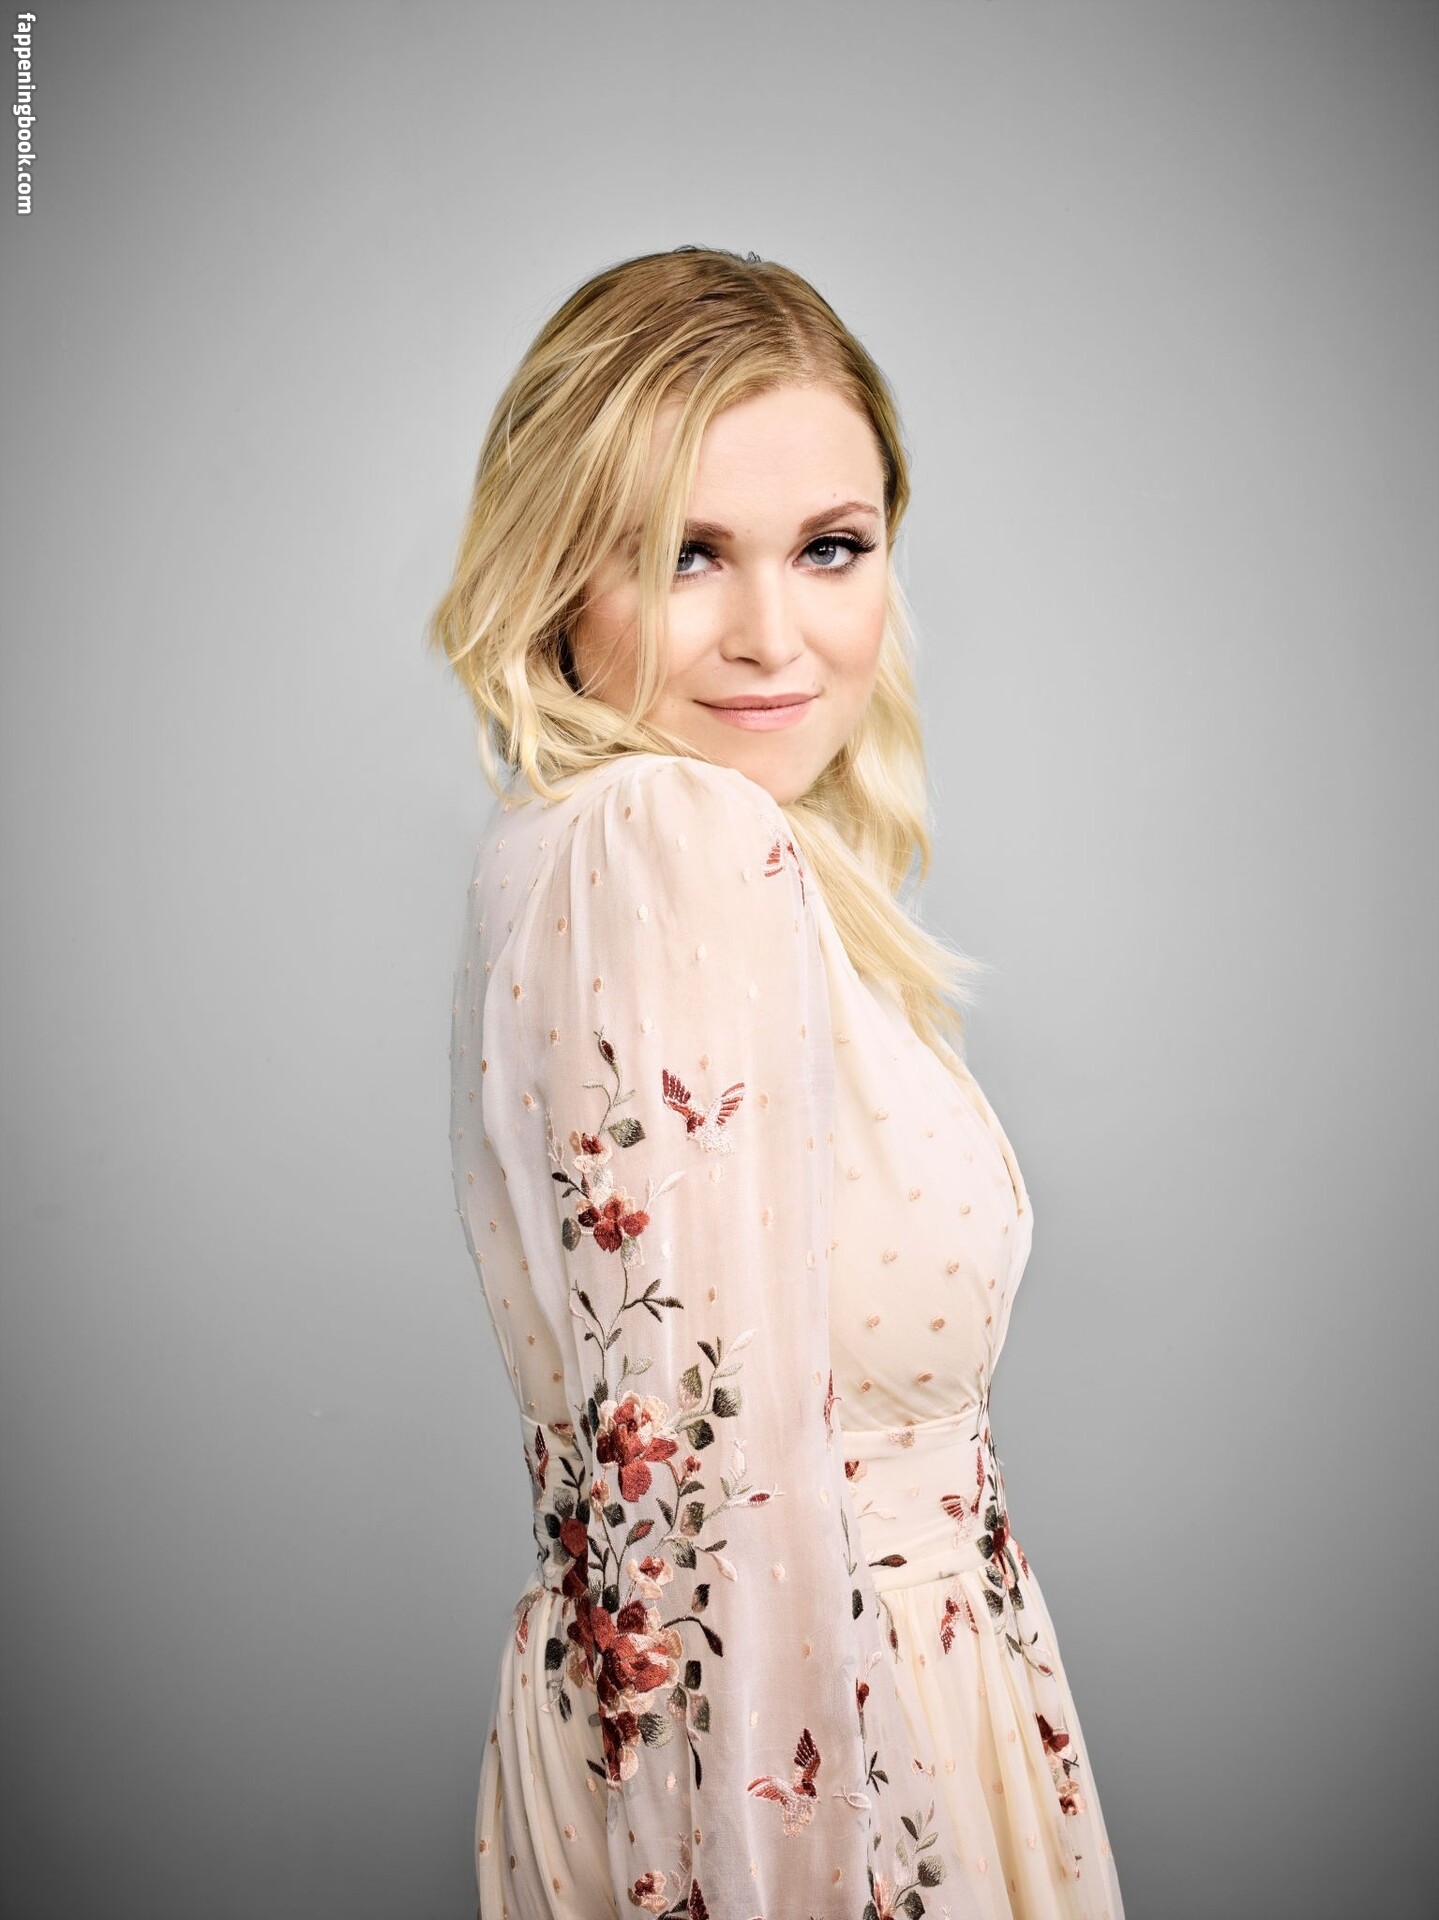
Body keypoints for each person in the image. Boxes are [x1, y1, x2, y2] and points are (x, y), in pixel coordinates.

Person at [428, 245, 1124, 1920]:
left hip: (816, 1745)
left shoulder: (585, 848)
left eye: (829, 549)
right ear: (555, 579)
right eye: (682, 555)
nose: (769, 636)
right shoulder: (675, 838)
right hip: (816, 1787)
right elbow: (708, 1535)